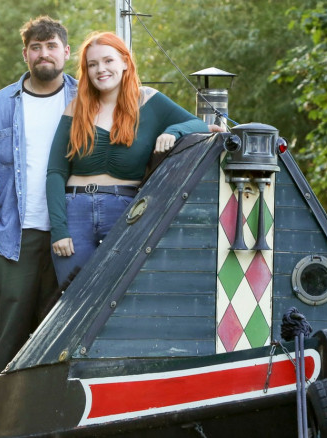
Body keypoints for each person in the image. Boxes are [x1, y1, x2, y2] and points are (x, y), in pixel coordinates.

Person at [46, 31, 209, 284]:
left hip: (126, 212)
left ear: (124, 62)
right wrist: (59, 229)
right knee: (73, 297)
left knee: (119, 295)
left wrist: (173, 131)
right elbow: (55, 172)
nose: (101, 69)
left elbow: (199, 124)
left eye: (108, 60)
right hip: (74, 212)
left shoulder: (149, 100)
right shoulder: (77, 108)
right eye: (92, 64)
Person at [0, 16, 77, 374]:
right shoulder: (0, 105)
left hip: (73, 234)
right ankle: (1, 414)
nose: (43, 54)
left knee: (61, 333)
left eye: (50, 46)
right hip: (15, 236)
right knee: (9, 335)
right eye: (36, 47)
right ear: (25, 54)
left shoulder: (87, 99)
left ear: (66, 51)